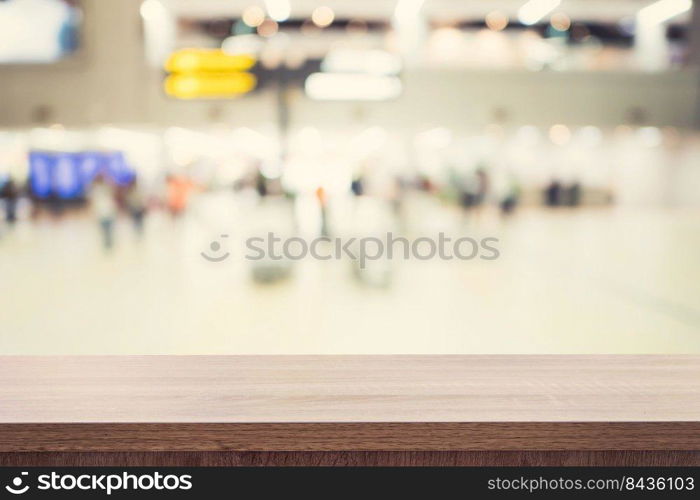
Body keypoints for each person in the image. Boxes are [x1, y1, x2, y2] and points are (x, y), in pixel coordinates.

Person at [90, 174, 117, 250]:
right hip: (101, 212)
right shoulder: (95, 189)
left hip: (108, 211)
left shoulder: (106, 188)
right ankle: (107, 244)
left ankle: (109, 244)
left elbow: (113, 191)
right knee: (105, 230)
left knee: (108, 230)